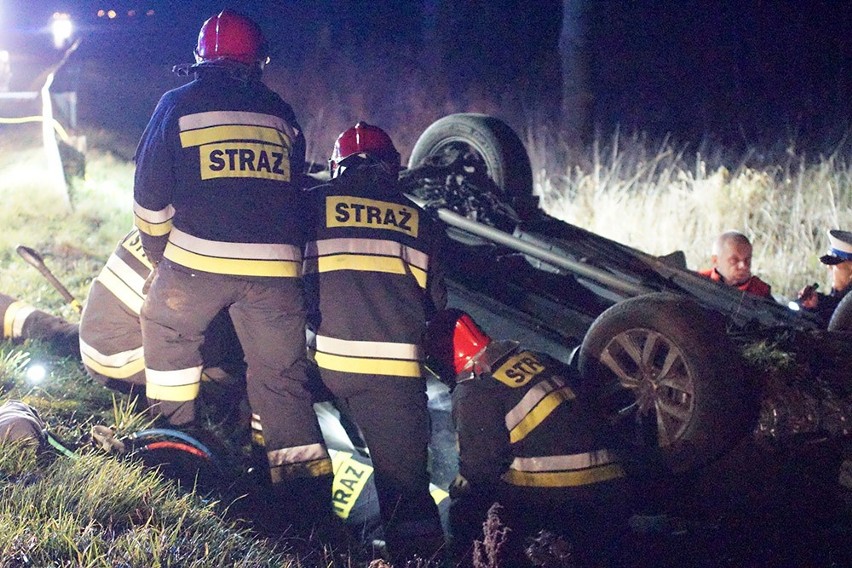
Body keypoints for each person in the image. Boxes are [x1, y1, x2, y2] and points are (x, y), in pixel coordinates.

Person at [132, 9, 335, 537]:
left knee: (167, 329)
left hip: (197, 262)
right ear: (256, 63)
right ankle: (305, 505)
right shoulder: (282, 114)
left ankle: (176, 464)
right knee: (282, 380)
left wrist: (163, 260)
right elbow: (293, 194)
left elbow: (150, 196)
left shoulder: (176, 104)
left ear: (200, 59)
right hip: (277, 274)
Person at [302, 122, 447, 563]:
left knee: (285, 435)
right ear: (393, 168)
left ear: (336, 167)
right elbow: (436, 307)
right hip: (395, 375)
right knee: (406, 491)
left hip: (323, 362)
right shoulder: (422, 220)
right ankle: (417, 559)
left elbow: (289, 282)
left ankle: (307, 541)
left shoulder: (310, 206)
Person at [423, 308, 633, 567]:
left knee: (466, 510)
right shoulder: (536, 357)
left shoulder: (474, 392)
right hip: (616, 482)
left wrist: (458, 488)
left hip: (570, 498)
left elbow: (480, 470)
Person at [797, 229, 852, 327]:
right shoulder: (843, 295)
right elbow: (835, 305)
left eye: (835, 264)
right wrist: (817, 302)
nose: (829, 267)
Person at [698, 230, 772, 297]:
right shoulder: (698, 282)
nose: (743, 266)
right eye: (734, 260)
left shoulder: (760, 292)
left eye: (747, 260)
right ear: (715, 261)